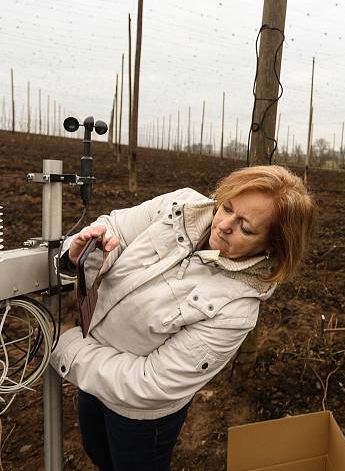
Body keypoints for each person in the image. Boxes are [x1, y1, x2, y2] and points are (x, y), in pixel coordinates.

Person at [50, 165, 317, 471]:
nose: (224, 225)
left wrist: (68, 346)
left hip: (138, 414)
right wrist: (82, 253)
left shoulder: (236, 309)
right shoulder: (178, 207)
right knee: (97, 451)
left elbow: (149, 384)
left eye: (246, 228)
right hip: (92, 370)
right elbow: (117, 229)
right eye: (227, 207)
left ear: (272, 246)